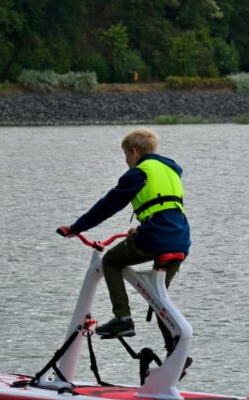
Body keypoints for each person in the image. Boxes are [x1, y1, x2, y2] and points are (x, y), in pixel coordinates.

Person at [57, 128, 191, 345]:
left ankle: (123, 319)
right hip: (180, 238)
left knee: (111, 261)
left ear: (134, 152)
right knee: (159, 301)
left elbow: (108, 205)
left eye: (126, 155)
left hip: (155, 237)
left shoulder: (139, 173)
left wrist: (76, 228)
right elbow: (164, 207)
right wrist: (140, 228)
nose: (126, 161)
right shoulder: (170, 170)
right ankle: (175, 355)